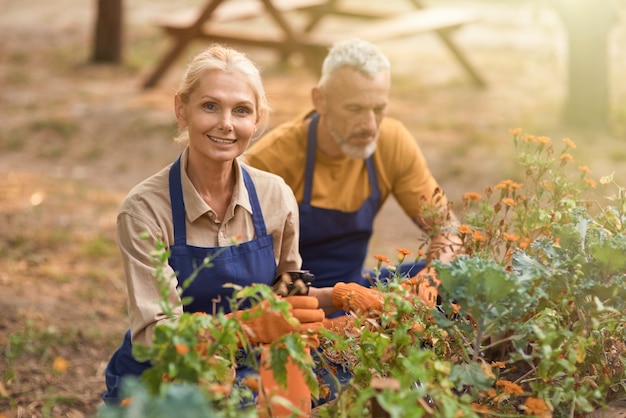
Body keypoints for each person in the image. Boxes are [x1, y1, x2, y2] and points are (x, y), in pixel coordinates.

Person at [102, 44, 326, 405]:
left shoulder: (275, 197)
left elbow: (284, 294)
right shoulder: (145, 209)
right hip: (164, 381)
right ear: (181, 109)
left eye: (241, 110)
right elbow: (156, 338)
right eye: (210, 106)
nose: (226, 123)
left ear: (257, 120)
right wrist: (246, 326)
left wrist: (347, 297)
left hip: (248, 372)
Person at [245, 38, 461, 295]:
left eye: (379, 109)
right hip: (299, 300)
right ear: (320, 100)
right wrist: (342, 300)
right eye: (355, 109)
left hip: (356, 285)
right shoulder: (270, 161)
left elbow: (448, 231)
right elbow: (252, 277)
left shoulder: (391, 142)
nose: (370, 125)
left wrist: (430, 283)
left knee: (465, 276)